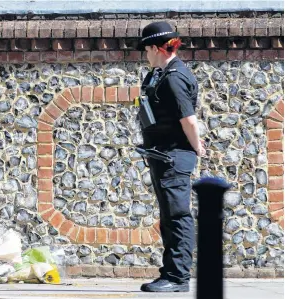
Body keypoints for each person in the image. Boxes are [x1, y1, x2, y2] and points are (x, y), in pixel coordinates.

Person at [136, 21, 206, 292]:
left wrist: (197, 145)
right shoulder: (161, 74)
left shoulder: (175, 77)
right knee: (168, 217)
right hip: (162, 155)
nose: (146, 55)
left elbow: (188, 118)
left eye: (146, 50)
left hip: (173, 157)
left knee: (177, 216)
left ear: (156, 48)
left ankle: (178, 278)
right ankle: (170, 273)